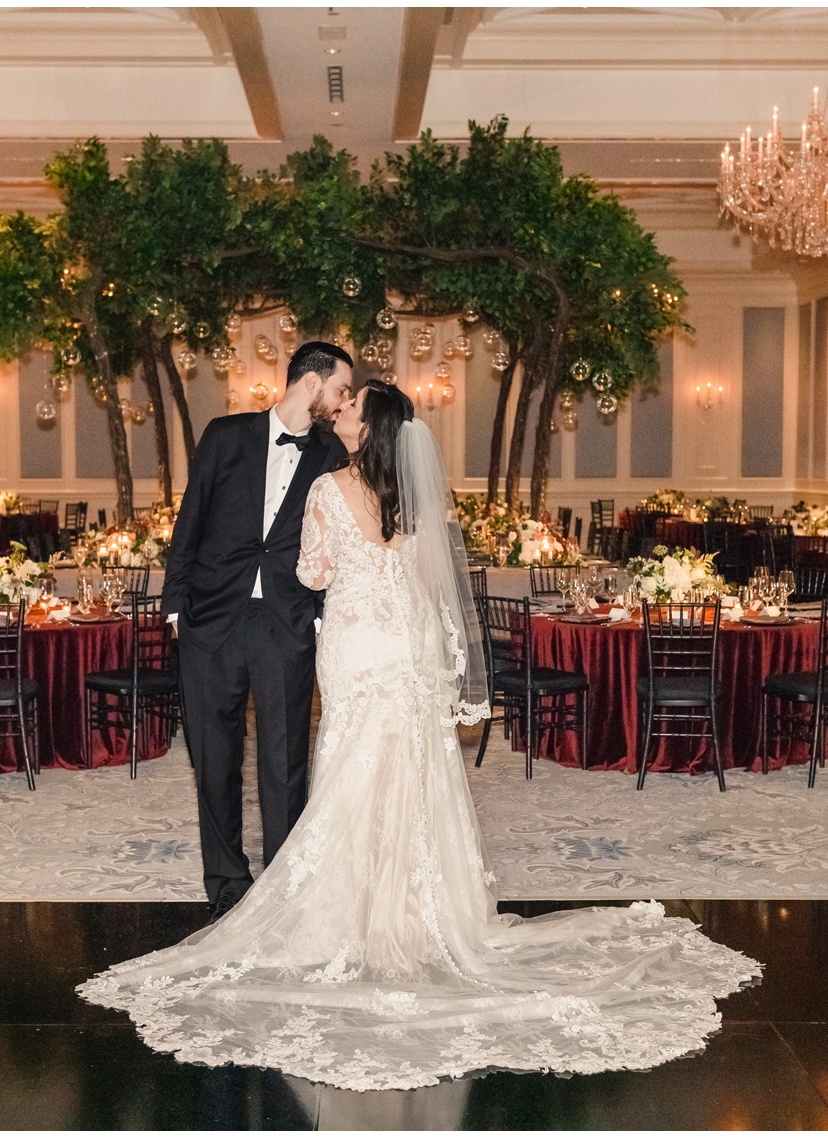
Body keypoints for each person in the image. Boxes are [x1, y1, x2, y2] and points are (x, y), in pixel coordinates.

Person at [83, 378, 760, 1090]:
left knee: (350, 763)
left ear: (369, 427)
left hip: (353, 643)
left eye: (349, 407)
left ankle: (353, 911)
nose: (338, 411)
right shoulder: (417, 496)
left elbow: (312, 572)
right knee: (410, 765)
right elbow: (433, 582)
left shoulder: (326, 489)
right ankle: (416, 913)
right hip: (404, 646)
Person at [161, 340, 354, 919]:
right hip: (210, 622)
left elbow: (338, 541)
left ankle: (284, 885)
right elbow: (189, 519)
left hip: (285, 623)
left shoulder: (332, 455)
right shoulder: (225, 435)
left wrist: (319, 613)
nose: (344, 402)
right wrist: (176, 607)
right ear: (312, 382)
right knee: (213, 757)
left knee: (284, 759)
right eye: (341, 389)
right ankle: (225, 883)